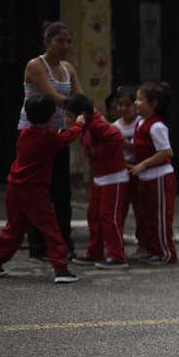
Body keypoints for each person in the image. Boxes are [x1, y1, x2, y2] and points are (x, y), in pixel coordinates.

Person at [0, 94, 82, 283]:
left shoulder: (25, 134)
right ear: (51, 117)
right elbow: (68, 137)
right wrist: (79, 123)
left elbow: (57, 137)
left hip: (14, 188)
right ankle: (61, 268)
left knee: (13, 229)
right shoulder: (49, 138)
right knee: (50, 228)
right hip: (34, 191)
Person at [18, 21, 84, 261]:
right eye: (60, 41)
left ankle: (65, 243)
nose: (65, 46)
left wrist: (89, 111)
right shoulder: (36, 65)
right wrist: (81, 109)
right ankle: (38, 247)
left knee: (61, 192)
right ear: (48, 42)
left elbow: (79, 94)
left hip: (57, 135)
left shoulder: (68, 68)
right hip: (33, 136)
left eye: (68, 41)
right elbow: (54, 96)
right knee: (37, 192)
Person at [64, 95, 130, 269]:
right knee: (94, 215)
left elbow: (117, 138)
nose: (67, 119)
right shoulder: (90, 122)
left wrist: (95, 151)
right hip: (101, 177)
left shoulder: (96, 124)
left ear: (82, 114)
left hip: (114, 177)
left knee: (109, 218)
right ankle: (95, 252)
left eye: (70, 115)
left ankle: (118, 256)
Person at [131, 82, 177, 265]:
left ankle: (166, 253)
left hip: (159, 177)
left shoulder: (157, 126)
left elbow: (166, 152)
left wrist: (143, 164)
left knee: (160, 218)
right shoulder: (139, 123)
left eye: (140, 99)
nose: (136, 103)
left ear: (154, 103)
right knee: (147, 217)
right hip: (146, 178)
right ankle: (151, 249)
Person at [111, 85, 144, 256]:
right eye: (120, 105)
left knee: (141, 210)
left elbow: (144, 148)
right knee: (120, 210)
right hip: (121, 173)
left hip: (139, 172)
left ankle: (143, 244)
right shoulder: (114, 127)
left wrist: (127, 145)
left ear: (135, 106)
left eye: (127, 105)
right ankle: (117, 245)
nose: (123, 108)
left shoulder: (141, 124)